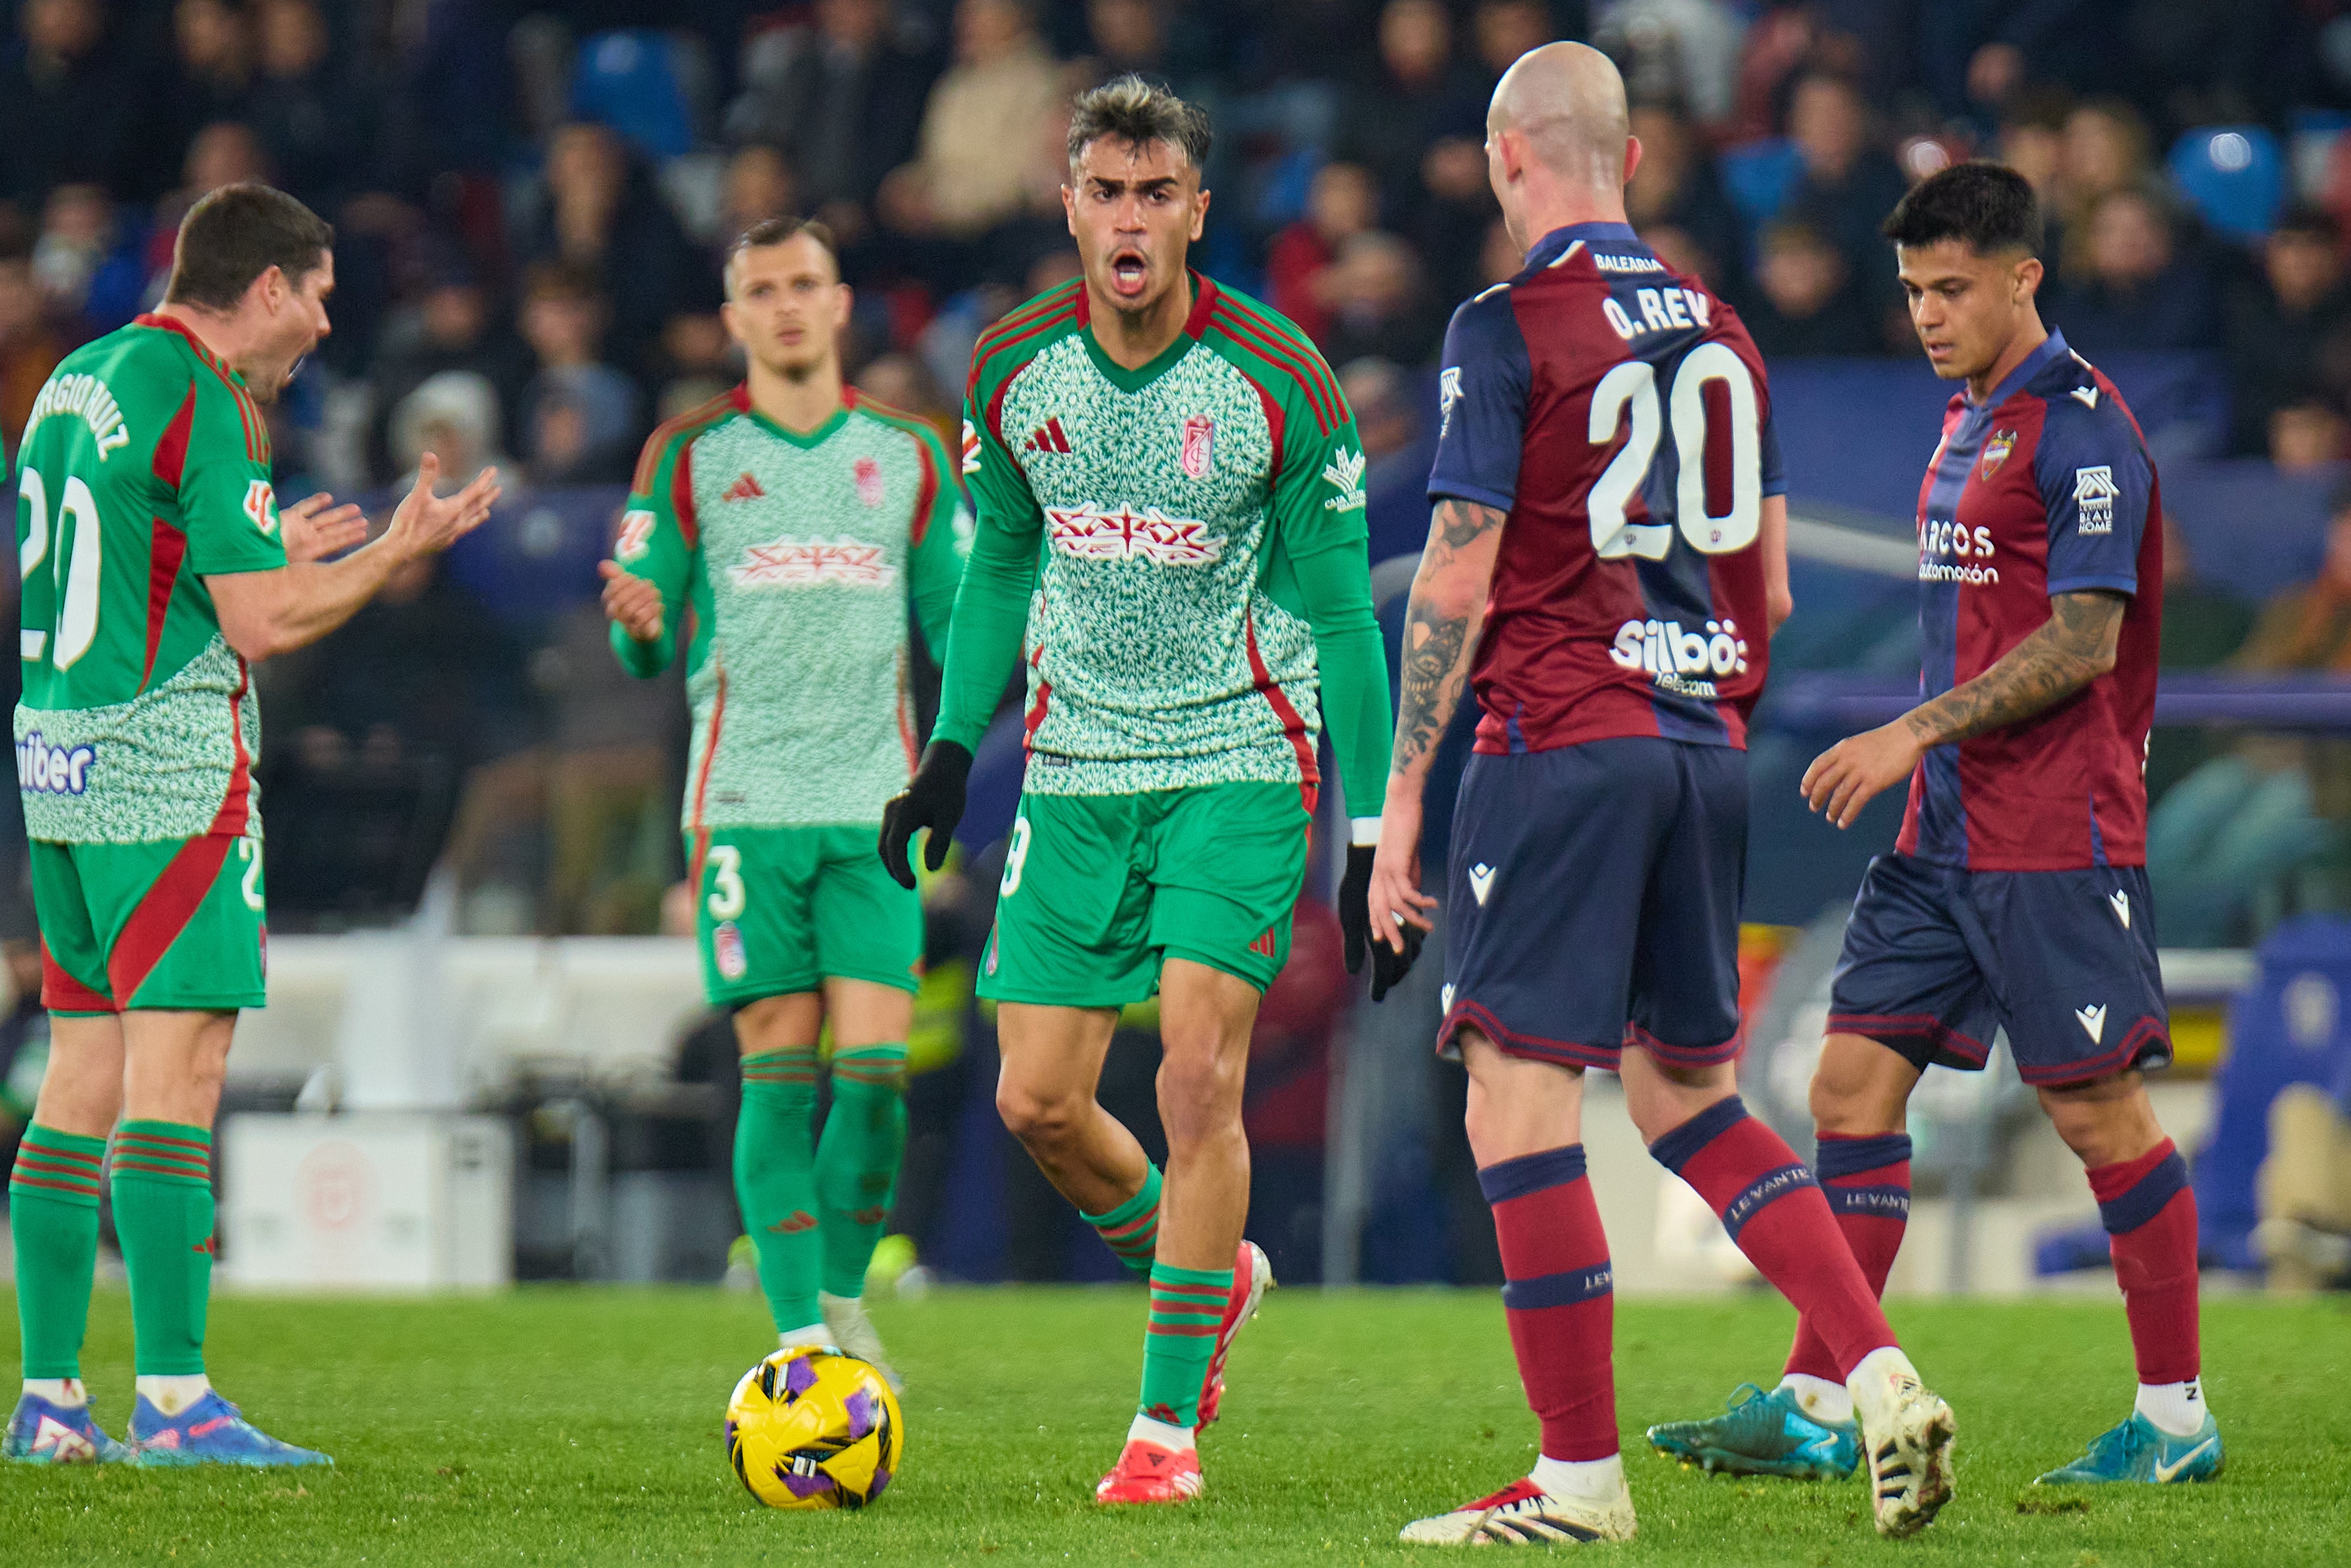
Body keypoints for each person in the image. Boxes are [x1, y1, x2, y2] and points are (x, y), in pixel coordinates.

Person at [1362, 42, 1955, 1546]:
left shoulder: (1503, 324)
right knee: (1679, 1088)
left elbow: (1456, 566)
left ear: (1510, 164)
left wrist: (1402, 802)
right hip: (1697, 740)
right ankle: (1873, 1370)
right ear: (1626, 159)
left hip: (1559, 737)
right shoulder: (1723, 332)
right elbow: (1761, 578)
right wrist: (1699, 702)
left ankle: (1575, 1482)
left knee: (1513, 1092)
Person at [1647, 161, 2214, 1489]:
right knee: (1846, 1086)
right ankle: (1807, 1393)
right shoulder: (1966, 419)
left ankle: (2176, 1415)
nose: (1925, 314)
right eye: (1910, 290)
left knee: (2098, 1114)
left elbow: (2084, 641)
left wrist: (1911, 727)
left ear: (2023, 276)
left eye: (1951, 288)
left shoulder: (2082, 429)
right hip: (1942, 833)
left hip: (2051, 834)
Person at [879, 75, 1404, 1505]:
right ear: (1068, 205)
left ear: (1195, 212)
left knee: (1191, 1073)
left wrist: (1366, 827)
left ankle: (1161, 1433)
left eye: (1154, 193)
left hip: (1237, 758)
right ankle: (1205, 1272)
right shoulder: (1009, 368)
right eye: (1104, 192)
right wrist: (942, 751)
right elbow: (994, 563)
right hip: (1073, 765)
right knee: (1036, 1100)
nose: (1128, 218)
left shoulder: (1274, 378)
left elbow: (1348, 619)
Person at [5, 182, 498, 1466]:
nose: (328, 326)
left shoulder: (77, 378)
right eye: (321, 295)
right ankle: (175, 1398)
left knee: (79, 1079)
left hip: (58, 764)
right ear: (266, 286)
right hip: (168, 773)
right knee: (179, 1083)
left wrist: (260, 543)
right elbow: (260, 625)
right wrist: (391, 554)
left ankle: (51, 1398)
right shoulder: (210, 399)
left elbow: (128, 554)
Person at [600, 216, 968, 1385]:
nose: (787, 305)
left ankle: (842, 1300)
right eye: (762, 288)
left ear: (841, 299)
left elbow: (960, 620)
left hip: (876, 805)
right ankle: (801, 1334)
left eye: (805, 282)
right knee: (775, 1063)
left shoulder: (908, 453)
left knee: (873, 1077)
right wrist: (636, 623)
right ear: (735, 318)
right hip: (745, 803)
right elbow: (642, 624)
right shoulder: (687, 453)